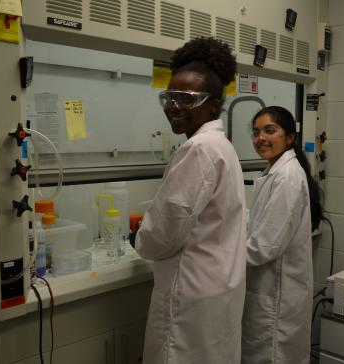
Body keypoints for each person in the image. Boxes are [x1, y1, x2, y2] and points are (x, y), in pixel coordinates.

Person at [135, 37, 246, 364]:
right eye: (169, 97)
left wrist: (139, 239)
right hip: (216, 289)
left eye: (186, 99)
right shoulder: (220, 146)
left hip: (190, 295)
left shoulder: (199, 149)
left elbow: (164, 231)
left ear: (213, 104)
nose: (173, 106)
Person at [241, 106, 324, 364]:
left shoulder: (286, 176)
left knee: (271, 355)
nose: (261, 138)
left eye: (270, 130)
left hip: (276, 294)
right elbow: (261, 222)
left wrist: (217, 252)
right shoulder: (274, 171)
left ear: (290, 137)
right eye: (256, 132)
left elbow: (264, 247)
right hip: (269, 291)